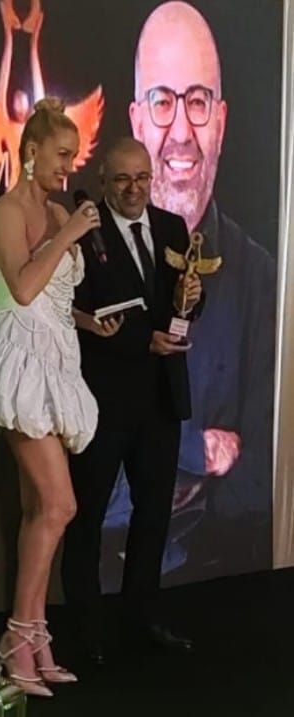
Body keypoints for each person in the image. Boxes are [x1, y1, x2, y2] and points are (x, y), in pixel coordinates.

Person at [115, 0, 275, 580]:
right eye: (163, 102)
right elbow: (87, 478)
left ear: (222, 122)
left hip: (224, 586)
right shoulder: (91, 265)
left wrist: (156, 477)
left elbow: (264, 480)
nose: (181, 132)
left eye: (199, 102)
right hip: (109, 588)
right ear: (137, 122)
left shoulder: (263, 280)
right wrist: (195, 455)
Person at [0, 97, 103, 696]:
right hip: (16, 364)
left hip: (55, 362)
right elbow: (19, 290)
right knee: (60, 505)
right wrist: (67, 234)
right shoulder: (6, 212)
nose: (68, 166)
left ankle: (35, 637)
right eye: (62, 155)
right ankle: (16, 637)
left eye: (74, 156)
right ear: (31, 151)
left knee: (40, 509)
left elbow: (54, 296)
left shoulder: (56, 209)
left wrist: (90, 323)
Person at [61, 137, 203, 664]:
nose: (133, 189)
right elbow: (73, 311)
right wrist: (142, 341)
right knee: (88, 516)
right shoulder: (83, 228)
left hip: (162, 397)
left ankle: (142, 616)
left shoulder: (173, 227)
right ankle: (84, 628)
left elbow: (184, 304)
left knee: (153, 515)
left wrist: (191, 299)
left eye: (142, 178)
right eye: (122, 179)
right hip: (103, 399)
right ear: (103, 181)